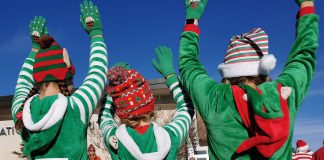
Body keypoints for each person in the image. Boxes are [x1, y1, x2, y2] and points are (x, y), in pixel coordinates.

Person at [178, 0, 318, 159]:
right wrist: (306, 5)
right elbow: (303, 56)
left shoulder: (215, 99)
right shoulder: (284, 94)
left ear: (226, 75)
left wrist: (192, 19)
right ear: (265, 71)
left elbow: (188, 64)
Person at [11, 0, 108, 159]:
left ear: (36, 77)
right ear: (65, 77)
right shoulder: (78, 106)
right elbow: (98, 71)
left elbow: (22, 83)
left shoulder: (22, 111)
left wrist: (36, 48)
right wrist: (96, 33)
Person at [99, 47, 194, 160]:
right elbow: (186, 107)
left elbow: (104, 117)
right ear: (150, 103)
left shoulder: (115, 139)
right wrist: (170, 76)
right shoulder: (170, 136)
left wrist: (115, 88)